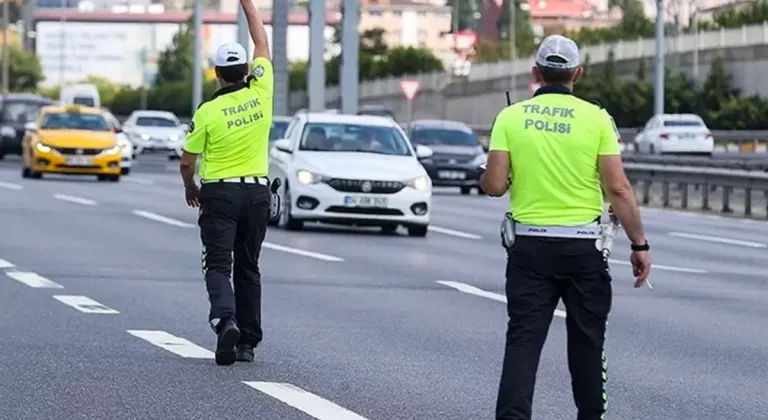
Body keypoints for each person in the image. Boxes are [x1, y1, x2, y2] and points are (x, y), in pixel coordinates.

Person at [480, 34, 652, 420]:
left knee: (523, 343)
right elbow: (618, 188)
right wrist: (639, 244)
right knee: (587, 343)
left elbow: (493, 186)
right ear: (578, 73)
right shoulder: (597, 119)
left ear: (536, 73)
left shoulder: (510, 117)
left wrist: (500, 177)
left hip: (529, 250)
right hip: (583, 250)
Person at [179, 0, 273, 366]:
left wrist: (191, 188)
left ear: (218, 73)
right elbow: (261, 40)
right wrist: (247, 2)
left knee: (218, 264)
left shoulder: (208, 112)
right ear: (248, 69)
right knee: (249, 266)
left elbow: (188, 161)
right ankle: (247, 343)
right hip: (257, 193)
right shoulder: (261, 93)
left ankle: (225, 320)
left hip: (219, 193)